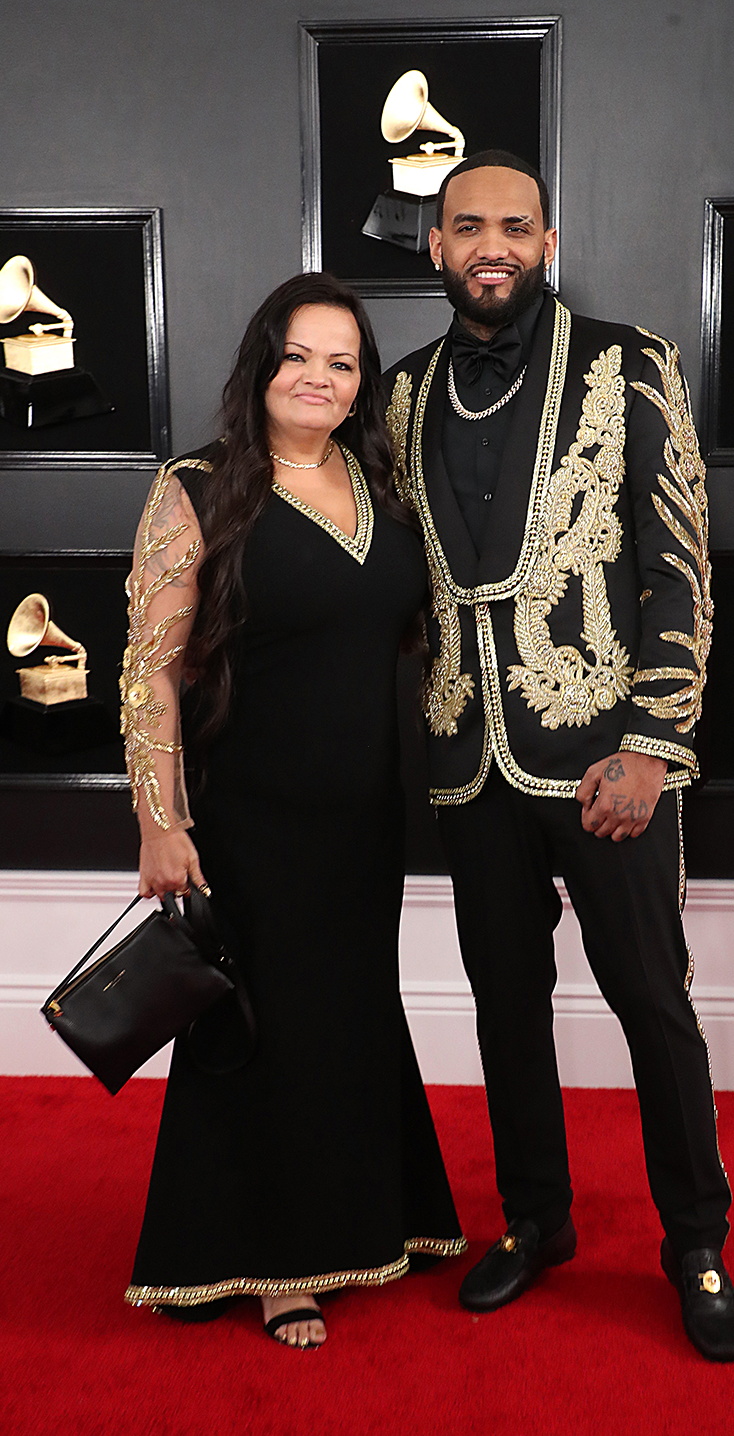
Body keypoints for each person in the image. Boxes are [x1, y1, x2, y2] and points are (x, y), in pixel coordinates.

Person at [382, 151, 734, 1361]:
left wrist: (654, 745)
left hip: (608, 761)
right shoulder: (395, 394)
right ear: (434, 245)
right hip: (464, 762)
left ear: (548, 239)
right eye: (467, 225)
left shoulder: (628, 360)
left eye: (515, 226)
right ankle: (535, 1222)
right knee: (504, 1008)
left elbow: (678, 563)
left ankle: (694, 1241)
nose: (492, 244)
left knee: (653, 1002)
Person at [120, 272, 465, 1349]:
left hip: (365, 816)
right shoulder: (201, 485)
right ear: (262, 364)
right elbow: (149, 672)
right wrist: (159, 821)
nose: (318, 377)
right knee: (267, 1032)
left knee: (351, 1015)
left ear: (361, 384)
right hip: (250, 818)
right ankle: (278, 1263)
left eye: (342, 361)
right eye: (298, 355)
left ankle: (373, 1216)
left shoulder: (383, 487)